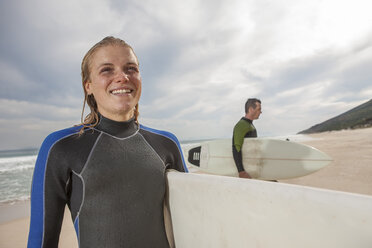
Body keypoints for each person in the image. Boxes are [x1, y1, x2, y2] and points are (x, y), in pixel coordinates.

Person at [27, 36, 187, 248]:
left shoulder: (167, 143)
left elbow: (191, 219)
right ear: (88, 86)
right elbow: (41, 239)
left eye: (131, 68)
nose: (122, 77)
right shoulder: (61, 147)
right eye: (107, 70)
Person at [232, 98, 262, 179]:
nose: (261, 112)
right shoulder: (241, 125)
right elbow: (236, 148)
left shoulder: (250, 125)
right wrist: (241, 171)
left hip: (253, 168)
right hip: (246, 171)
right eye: (259, 109)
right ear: (251, 109)